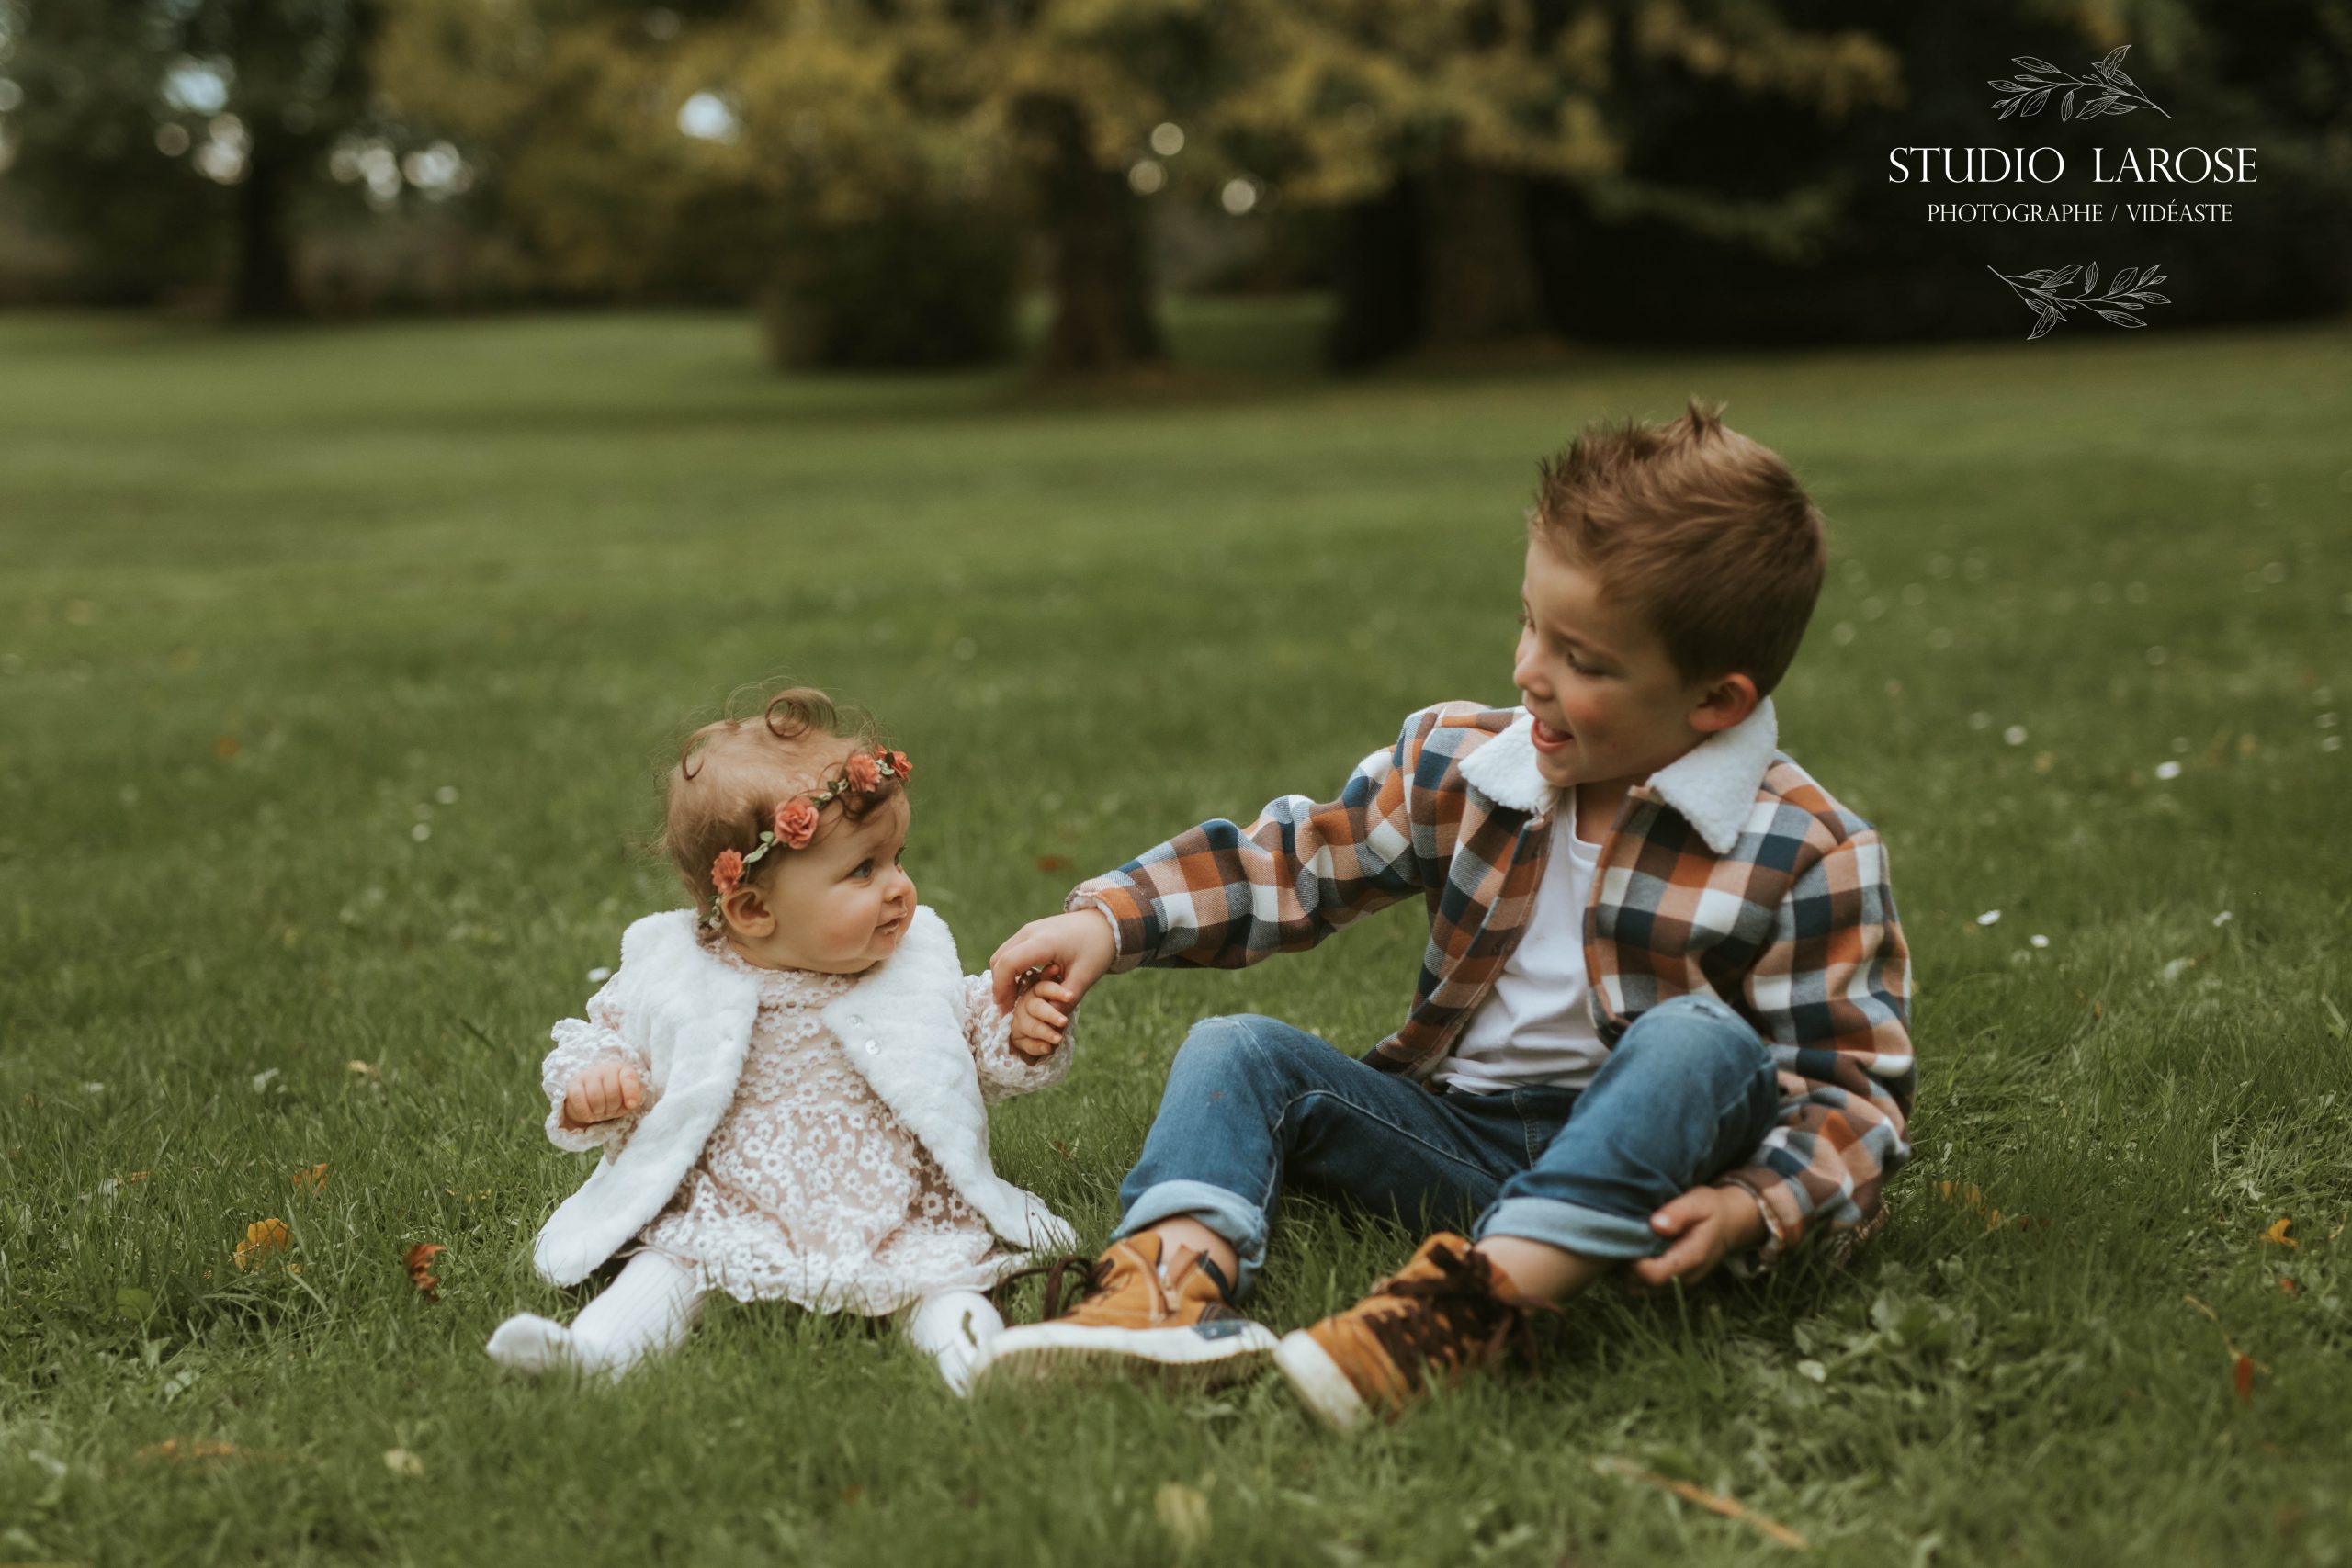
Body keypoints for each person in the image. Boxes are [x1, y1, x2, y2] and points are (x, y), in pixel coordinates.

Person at [974, 401, 1914, 1430]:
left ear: (1716, 702)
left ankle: (1466, 1309)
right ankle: (1164, 1286)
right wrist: (1111, 921)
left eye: (1584, 661)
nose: (1528, 671)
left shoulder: (1804, 849)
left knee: (1696, 1038)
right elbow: (1295, 863)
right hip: (1461, 1136)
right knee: (1238, 1050)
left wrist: (1754, 1206)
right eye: (1529, 624)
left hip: (1653, 1175)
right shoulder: (1467, 765)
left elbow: (1850, 1096)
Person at [486, 688, 1083, 1393]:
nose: (898, 887)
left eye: (896, 857)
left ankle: (976, 1361)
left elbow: (963, 1037)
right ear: (751, 907)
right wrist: (600, 1083)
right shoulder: (678, 968)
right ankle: (591, 1354)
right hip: (730, 1198)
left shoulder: (913, 960)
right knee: (669, 1267)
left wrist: (1015, 1032)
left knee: (939, 1280)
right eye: (863, 869)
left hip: (890, 1197)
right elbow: (609, 1034)